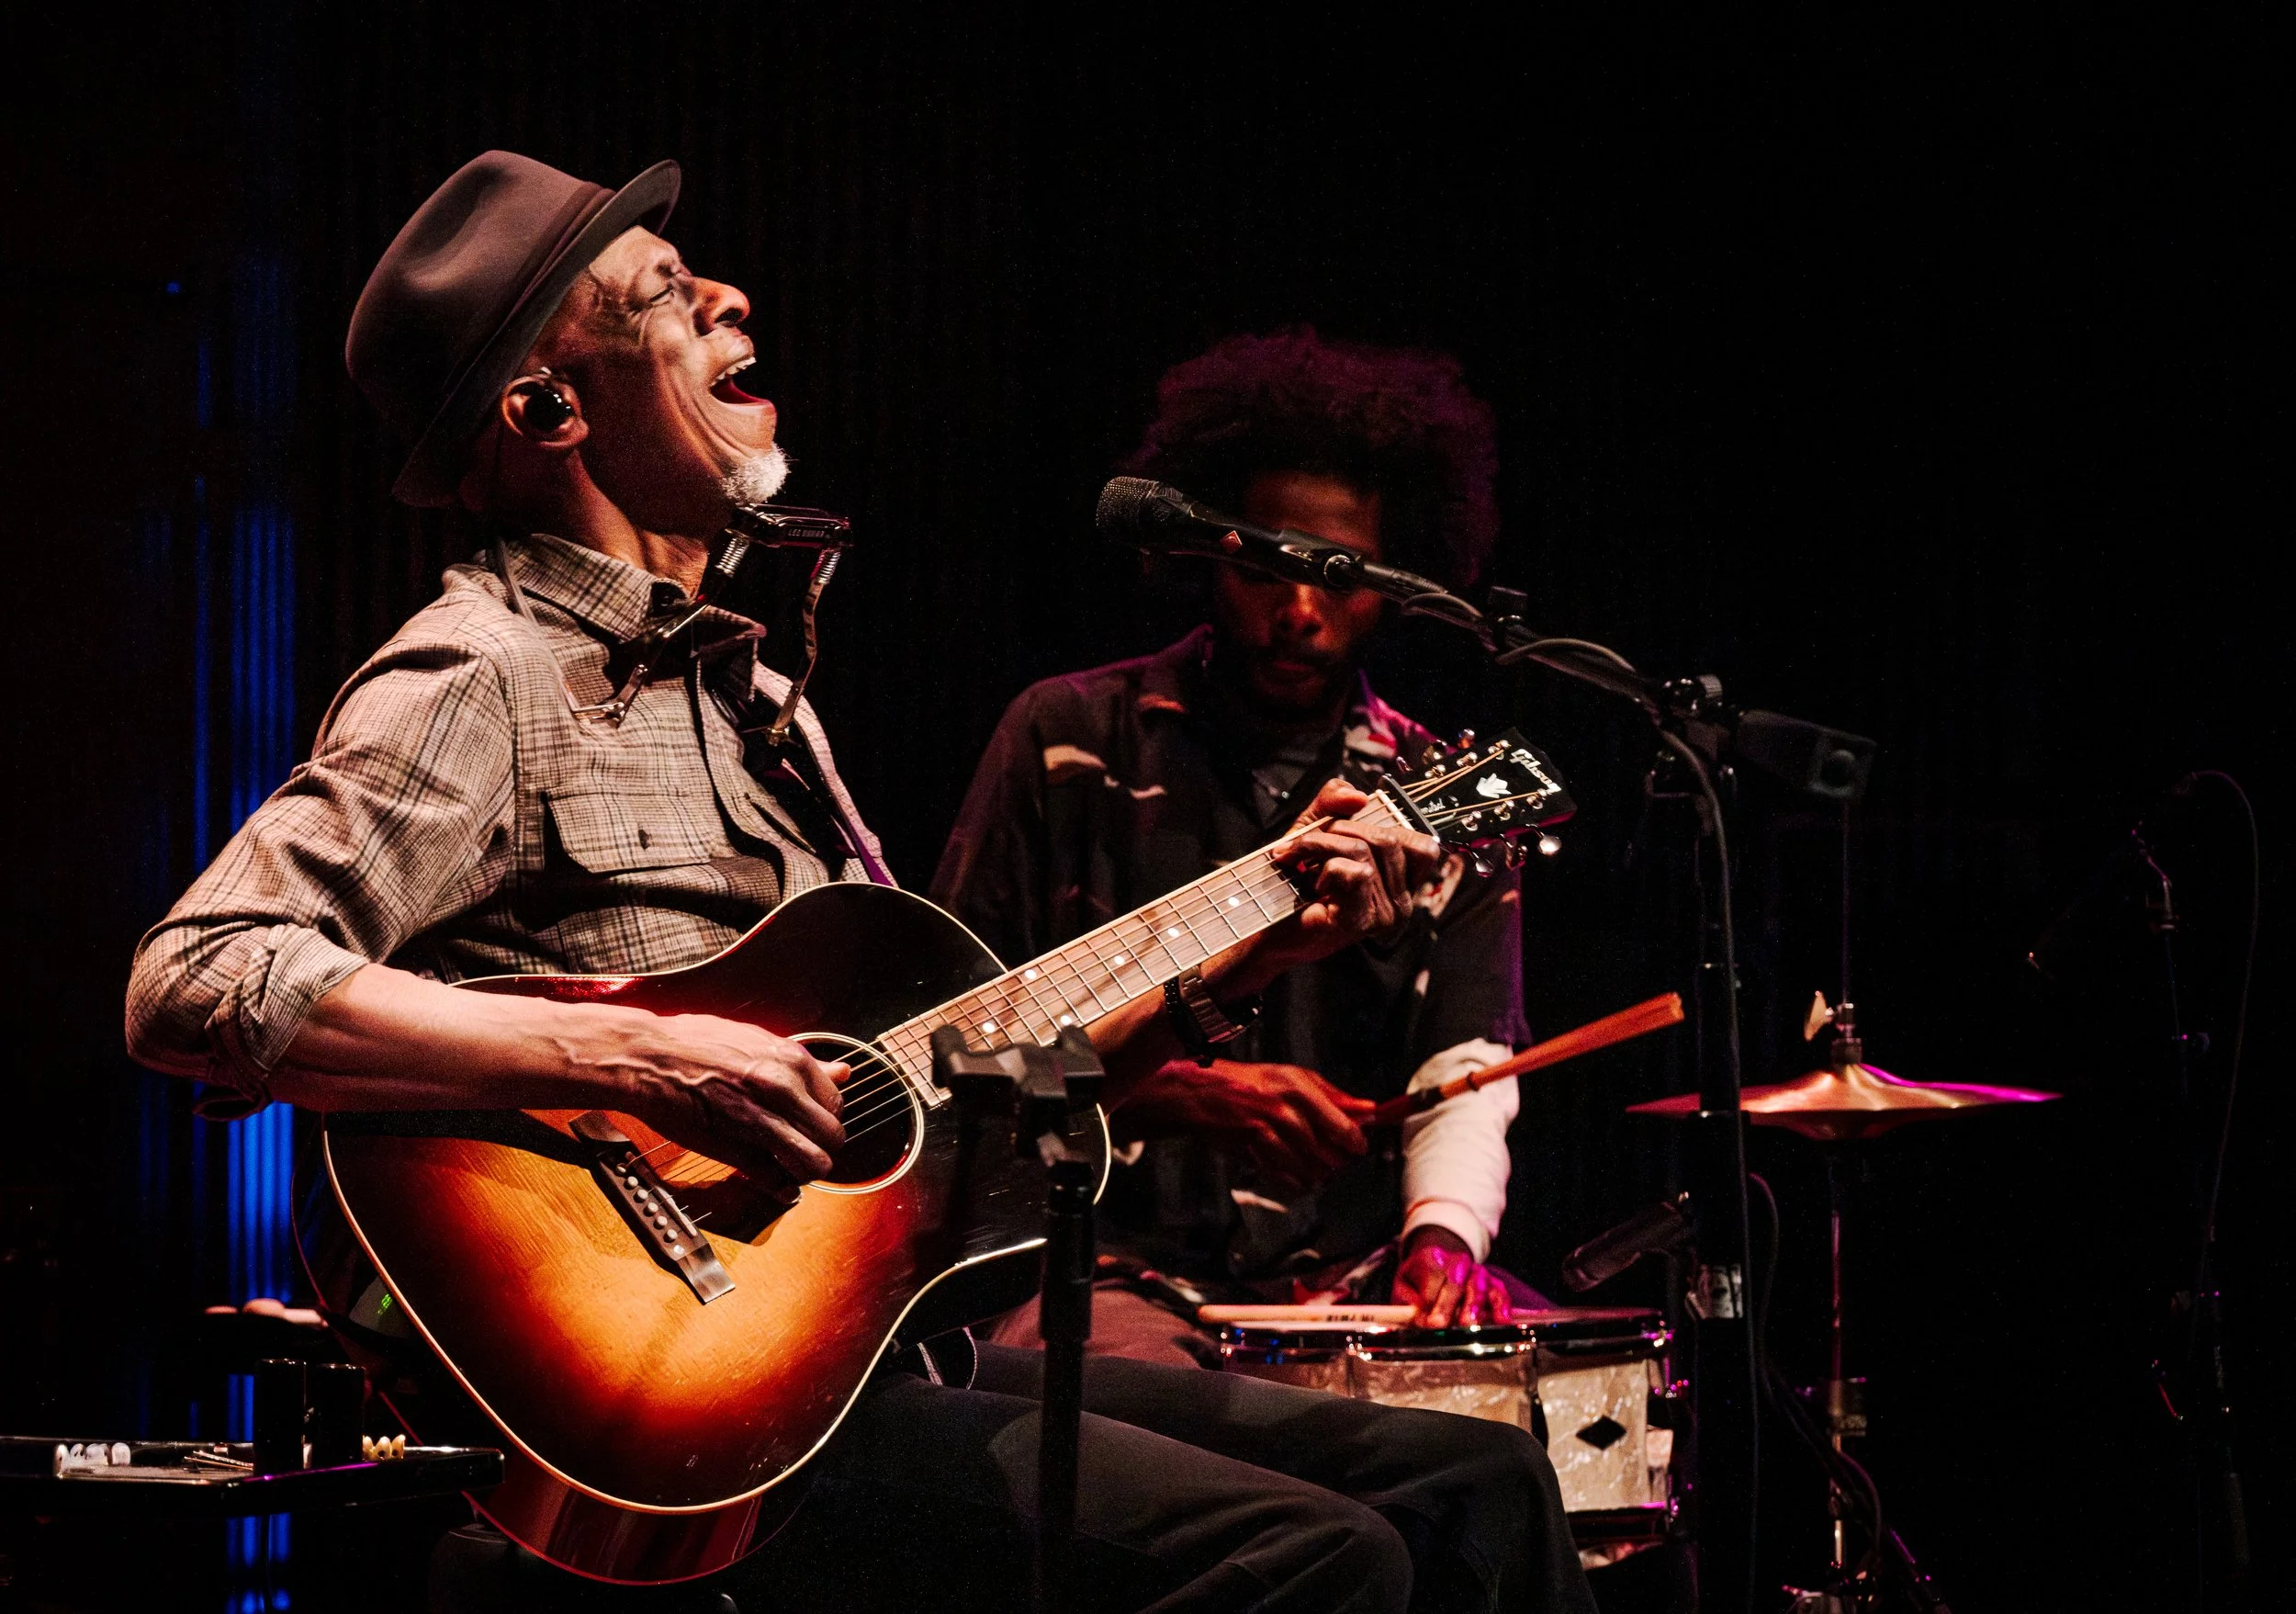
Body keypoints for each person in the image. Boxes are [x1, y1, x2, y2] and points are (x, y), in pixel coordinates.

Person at [124, 153, 1595, 1613]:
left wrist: (1262, 937)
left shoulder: (759, 700)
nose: (729, 297)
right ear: (550, 411)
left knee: (1483, 1484)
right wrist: (641, 1051)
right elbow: (196, 976)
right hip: (692, 1396)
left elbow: (978, 1086)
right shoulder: (488, 672)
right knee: (1322, 1559)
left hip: (864, 1349)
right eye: (664, 299)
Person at [934, 330, 1538, 1365]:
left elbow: (1467, 1059)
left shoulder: (1436, 793)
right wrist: (1184, 1088)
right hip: (1100, 1269)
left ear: (1401, 580)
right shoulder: (1064, 739)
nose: (1301, 610)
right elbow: (952, 1053)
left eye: (1342, 575)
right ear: (1210, 550)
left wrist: (1442, 1236)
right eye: (1268, 564)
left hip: (1346, 1284)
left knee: (1525, 1441)